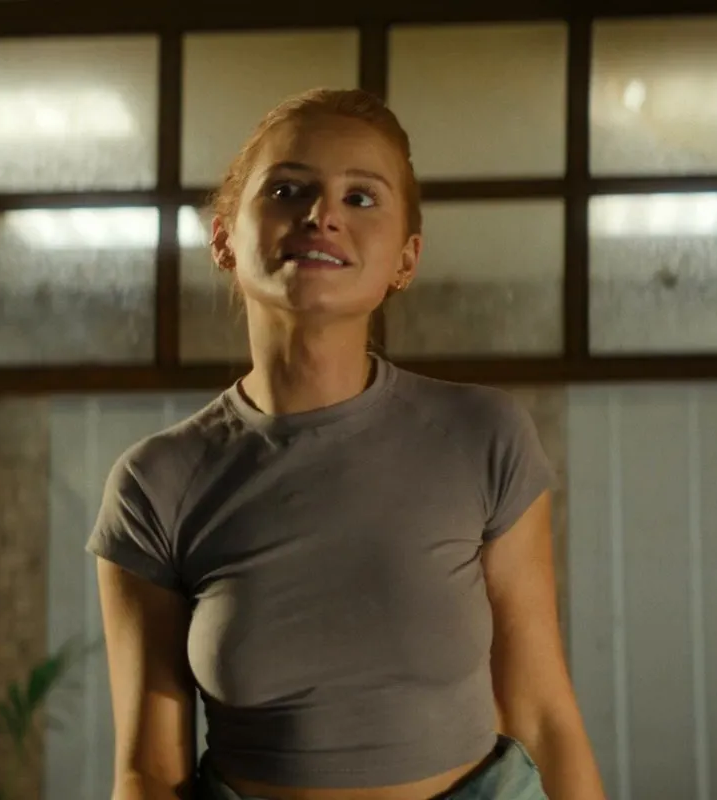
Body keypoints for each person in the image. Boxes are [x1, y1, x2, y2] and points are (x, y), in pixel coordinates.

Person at [89, 88, 604, 800]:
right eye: (287, 190)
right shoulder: (155, 482)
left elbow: (544, 715)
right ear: (224, 238)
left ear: (406, 259)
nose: (321, 215)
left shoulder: (483, 436)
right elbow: (149, 770)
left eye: (361, 198)